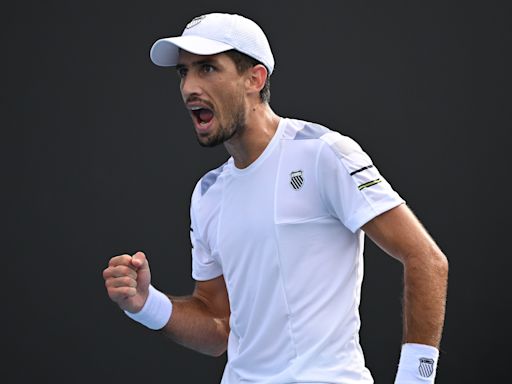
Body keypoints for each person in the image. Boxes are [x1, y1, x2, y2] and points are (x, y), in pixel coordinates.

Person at [102, 12, 448, 384]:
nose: (189, 87)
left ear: (254, 78)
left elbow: (426, 258)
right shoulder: (207, 194)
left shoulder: (323, 153)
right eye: (184, 72)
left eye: (207, 69)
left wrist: (416, 379)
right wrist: (146, 303)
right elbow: (219, 328)